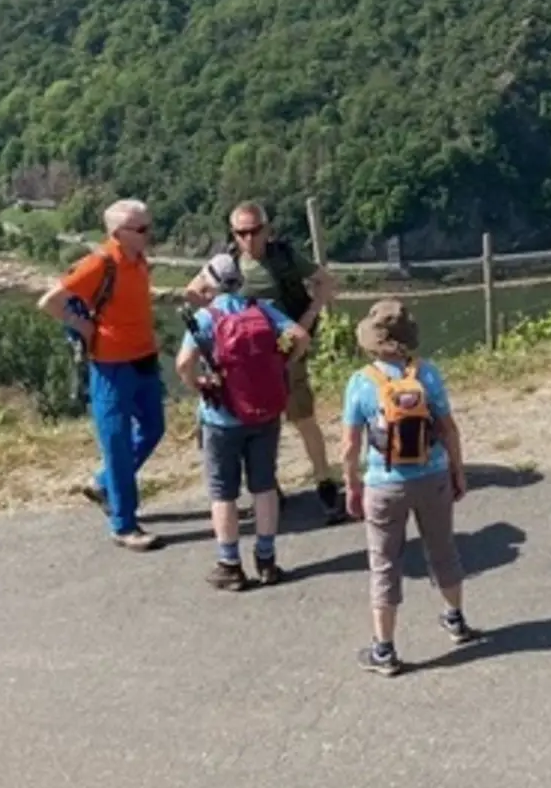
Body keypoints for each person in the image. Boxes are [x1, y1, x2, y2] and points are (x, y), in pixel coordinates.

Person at [341, 299, 479, 677]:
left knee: (384, 564)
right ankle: (455, 619)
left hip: (384, 484)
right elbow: (448, 428)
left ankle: (384, 650)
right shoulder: (427, 374)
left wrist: (351, 484)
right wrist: (457, 471)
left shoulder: (361, 382)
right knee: (443, 549)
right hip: (432, 477)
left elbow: (350, 444)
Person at [186, 201, 343, 523]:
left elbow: (325, 281)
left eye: (255, 231)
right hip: (245, 360)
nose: (248, 238)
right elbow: (193, 292)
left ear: (267, 229)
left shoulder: (284, 257)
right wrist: (220, 324)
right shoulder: (227, 261)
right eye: (241, 232)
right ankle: (268, 488)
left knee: (302, 416)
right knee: (255, 421)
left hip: (285, 348)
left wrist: (309, 317)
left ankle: (325, 482)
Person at [38, 198, 166, 552]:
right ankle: (124, 525)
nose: (149, 234)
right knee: (117, 443)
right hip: (111, 366)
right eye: (142, 229)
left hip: (143, 358)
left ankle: (103, 484)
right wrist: (81, 325)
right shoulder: (100, 263)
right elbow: (49, 301)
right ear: (118, 233)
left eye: (149, 226)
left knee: (153, 428)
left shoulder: (138, 260)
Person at [176, 254, 307, 591]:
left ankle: (230, 565)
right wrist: (282, 364)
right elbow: (300, 336)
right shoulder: (261, 309)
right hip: (265, 412)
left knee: (223, 493)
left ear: (210, 281)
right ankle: (267, 560)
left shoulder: (206, 318)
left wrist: (198, 385)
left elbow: (183, 363)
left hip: (221, 417)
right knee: (264, 487)